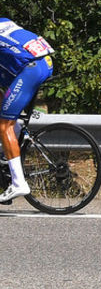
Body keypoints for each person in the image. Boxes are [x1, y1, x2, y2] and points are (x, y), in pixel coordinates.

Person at [0, 18, 55, 203]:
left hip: (31, 69)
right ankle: (6, 155)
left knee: (4, 126)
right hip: (45, 62)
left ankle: (18, 183)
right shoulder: (4, 22)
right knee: (5, 110)